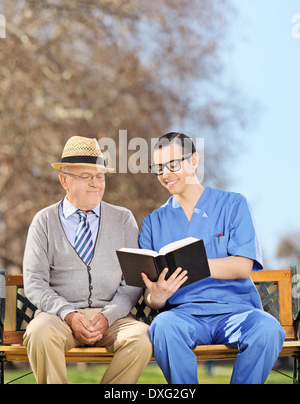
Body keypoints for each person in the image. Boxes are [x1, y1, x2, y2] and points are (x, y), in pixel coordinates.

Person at [139, 132, 285, 384]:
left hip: (237, 312)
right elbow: (150, 297)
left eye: (173, 164)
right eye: (158, 168)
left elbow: (242, 266)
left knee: (269, 329)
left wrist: (194, 264)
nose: (165, 174)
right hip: (184, 315)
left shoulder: (234, 204)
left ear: (194, 160)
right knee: (163, 326)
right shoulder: (153, 222)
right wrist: (157, 297)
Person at [23, 136, 152, 384]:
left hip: (112, 318)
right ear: (64, 180)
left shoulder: (123, 219)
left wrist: (108, 316)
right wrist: (69, 314)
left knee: (143, 337)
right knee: (38, 332)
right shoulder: (44, 221)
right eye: (85, 176)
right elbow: (35, 282)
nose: (95, 183)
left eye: (100, 176)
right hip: (58, 318)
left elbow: (133, 281)